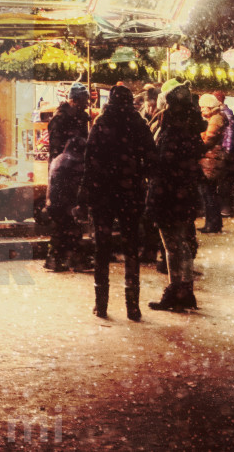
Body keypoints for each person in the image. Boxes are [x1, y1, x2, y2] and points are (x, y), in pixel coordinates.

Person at [84, 84, 156, 320]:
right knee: (131, 247)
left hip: (103, 193)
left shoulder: (101, 124)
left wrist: (86, 195)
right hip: (130, 193)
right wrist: (137, 174)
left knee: (102, 248)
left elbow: (89, 161)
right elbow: (152, 160)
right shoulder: (139, 125)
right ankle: (132, 306)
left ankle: (101, 304)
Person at [145, 81, 205, 312]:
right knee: (182, 243)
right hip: (185, 192)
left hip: (168, 194)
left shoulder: (171, 129)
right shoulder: (190, 127)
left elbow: (163, 163)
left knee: (171, 244)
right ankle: (185, 290)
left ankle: (175, 289)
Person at [45, 138, 86, 272]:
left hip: (55, 202)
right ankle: (76, 261)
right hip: (67, 203)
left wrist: (49, 200)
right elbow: (76, 186)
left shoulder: (58, 159)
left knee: (58, 232)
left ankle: (54, 261)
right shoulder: (76, 161)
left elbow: (51, 182)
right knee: (74, 232)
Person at [197, 93, 229, 234]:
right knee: (210, 193)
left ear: (210, 107)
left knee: (208, 193)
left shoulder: (215, 119)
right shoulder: (216, 118)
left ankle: (212, 223)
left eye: (203, 107)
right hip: (213, 159)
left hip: (211, 160)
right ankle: (214, 223)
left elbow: (209, 139)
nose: (202, 110)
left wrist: (199, 138)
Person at [47, 83, 90, 166]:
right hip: (64, 169)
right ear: (74, 101)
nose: (86, 105)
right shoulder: (59, 120)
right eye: (84, 101)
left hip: (76, 168)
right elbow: (55, 151)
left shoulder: (81, 118)